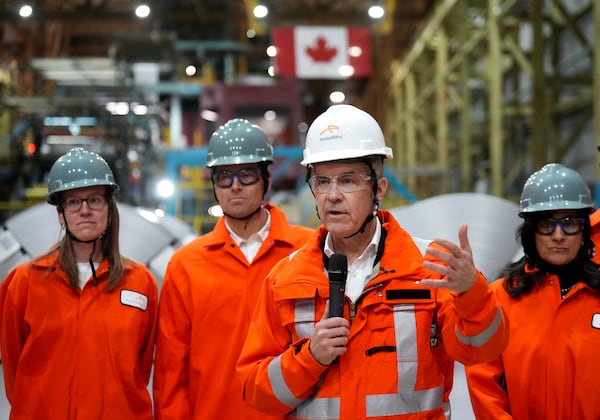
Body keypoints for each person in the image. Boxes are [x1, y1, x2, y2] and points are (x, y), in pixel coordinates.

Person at [236, 104, 508, 419]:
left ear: (378, 188)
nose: (332, 195)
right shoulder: (285, 278)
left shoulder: (428, 269)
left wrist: (471, 293)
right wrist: (310, 357)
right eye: (322, 182)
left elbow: (481, 351)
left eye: (348, 180)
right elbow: (256, 392)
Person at [152, 118, 313, 419]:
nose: (235, 186)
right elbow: (171, 371)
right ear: (213, 184)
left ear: (266, 178)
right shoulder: (187, 265)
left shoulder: (308, 251)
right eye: (225, 176)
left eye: (247, 174)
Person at [0, 147, 158, 419]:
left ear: (109, 207)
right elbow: (14, 370)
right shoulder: (25, 282)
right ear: (61, 212)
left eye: (95, 200)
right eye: (73, 202)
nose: (85, 210)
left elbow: (140, 368)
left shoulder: (140, 282)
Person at [465, 163, 600, 419]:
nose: (558, 235)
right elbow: (484, 387)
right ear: (531, 232)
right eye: (547, 224)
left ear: (583, 231)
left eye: (569, 223)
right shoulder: (499, 300)